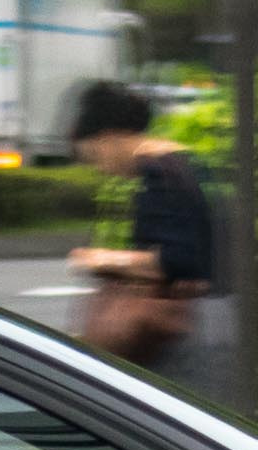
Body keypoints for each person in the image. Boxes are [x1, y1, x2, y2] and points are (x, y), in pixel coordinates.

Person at [65, 81, 215, 375]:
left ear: (109, 137)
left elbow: (178, 259)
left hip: (180, 332)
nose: (99, 167)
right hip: (199, 321)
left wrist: (102, 259)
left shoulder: (159, 174)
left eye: (94, 155)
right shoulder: (183, 163)